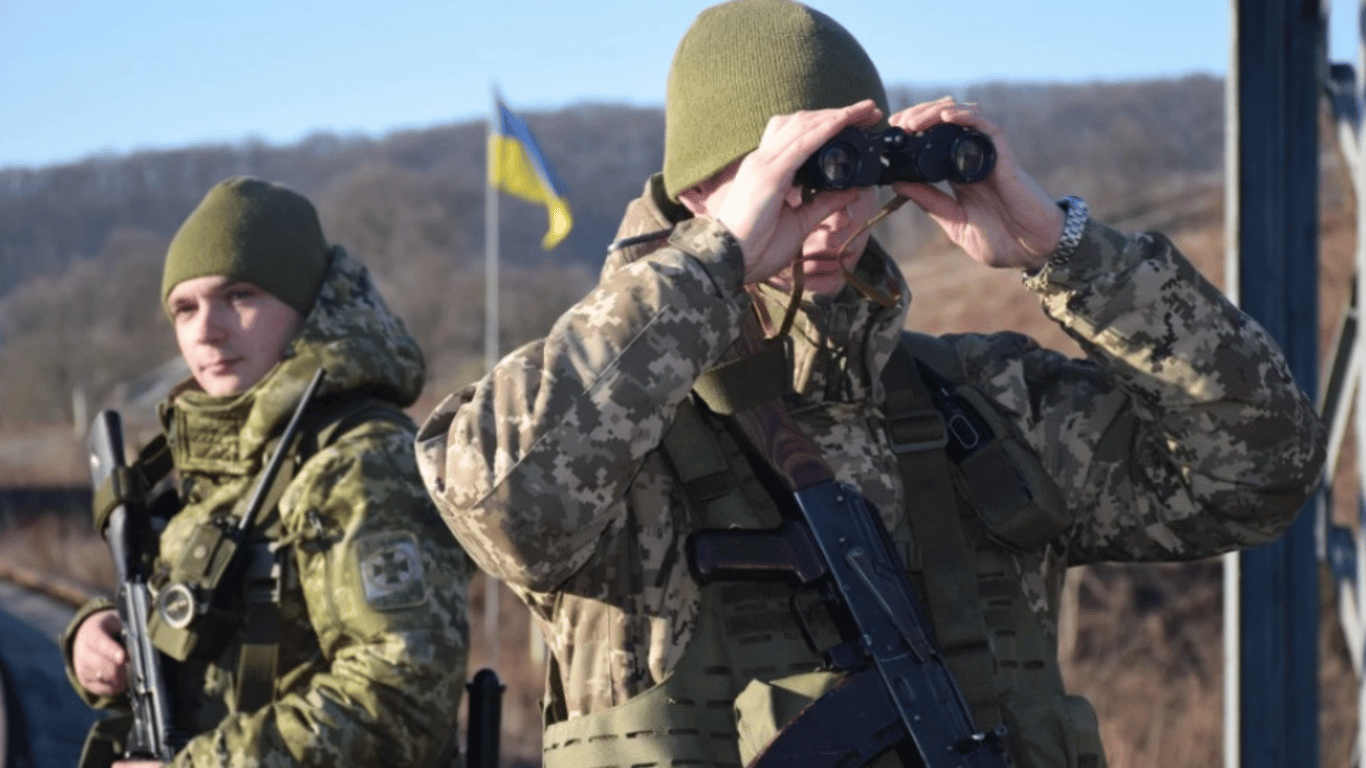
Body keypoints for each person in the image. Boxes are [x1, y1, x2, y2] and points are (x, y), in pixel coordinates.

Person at [414, 1, 1327, 766]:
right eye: (798, 179)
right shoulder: (600, 419)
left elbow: (1258, 473)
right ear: (700, 191)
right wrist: (710, 264)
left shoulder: (981, 403)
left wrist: (1069, 253)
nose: (838, 215)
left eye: (859, 176)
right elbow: (504, 503)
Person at [62, 176, 473, 768]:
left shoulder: (358, 460)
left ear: (308, 306)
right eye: (185, 307)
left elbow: (400, 697)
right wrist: (97, 636)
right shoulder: (227, 459)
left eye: (240, 296)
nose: (206, 330)